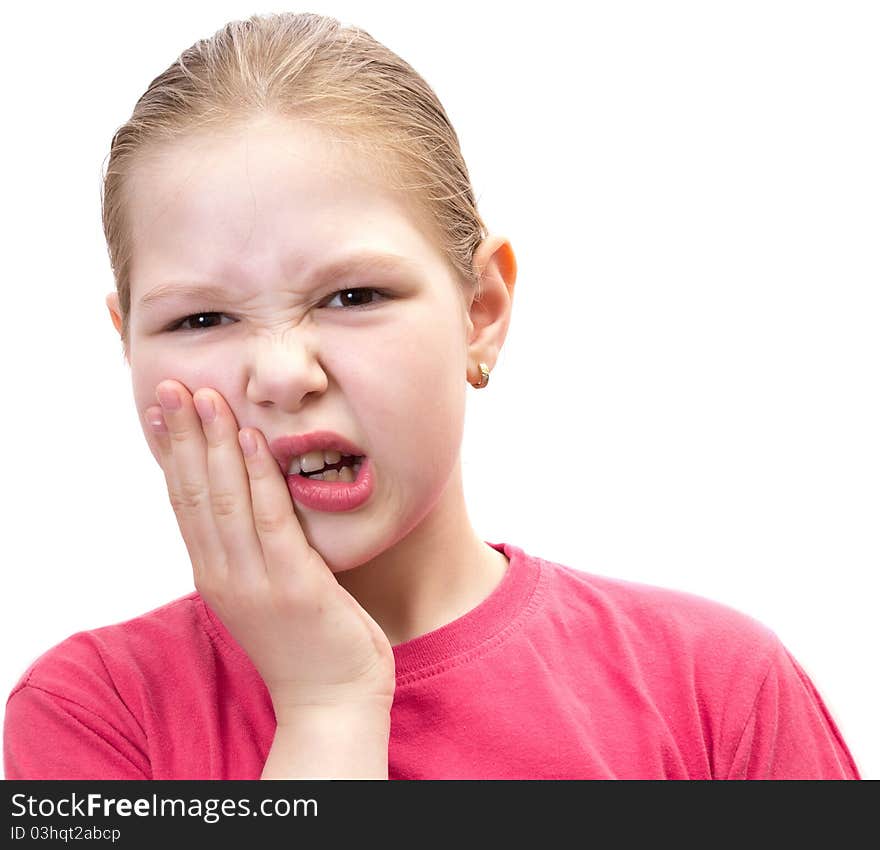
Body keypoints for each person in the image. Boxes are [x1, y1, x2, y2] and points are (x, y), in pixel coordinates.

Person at [3, 11, 860, 780]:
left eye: (352, 297)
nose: (282, 374)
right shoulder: (92, 716)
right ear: (126, 346)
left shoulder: (717, 689)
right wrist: (326, 703)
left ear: (481, 311)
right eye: (201, 317)